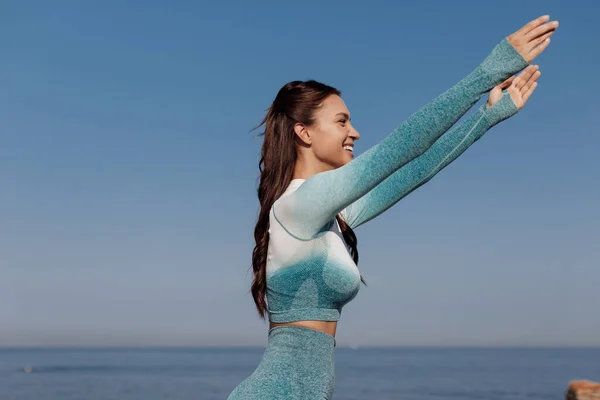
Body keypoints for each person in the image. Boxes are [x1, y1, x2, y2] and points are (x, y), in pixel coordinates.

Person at [227, 14, 559, 400]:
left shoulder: (331, 215)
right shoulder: (297, 205)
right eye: (341, 121)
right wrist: (489, 71)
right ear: (304, 132)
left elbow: (417, 167)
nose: (355, 131)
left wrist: (487, 117)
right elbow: (403, 146)